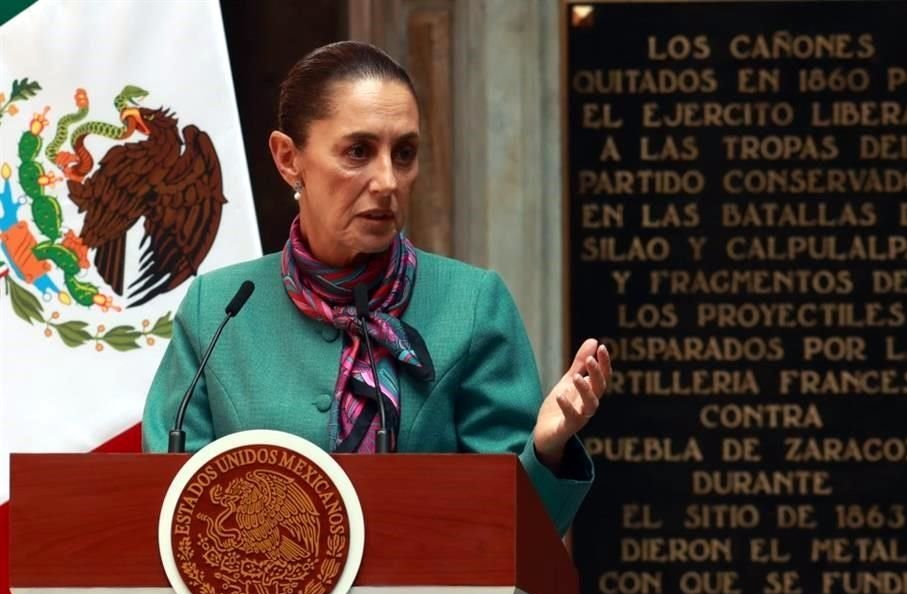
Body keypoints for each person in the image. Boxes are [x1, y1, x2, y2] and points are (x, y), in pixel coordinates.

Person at [142, 41, 612, 535]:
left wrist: (546, 449)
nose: (388, 180)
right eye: (358, 151)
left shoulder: (472, 304)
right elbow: (169, 514)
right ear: (288, 158)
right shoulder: (218, 308)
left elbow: (517, 538)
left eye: (404, 153)